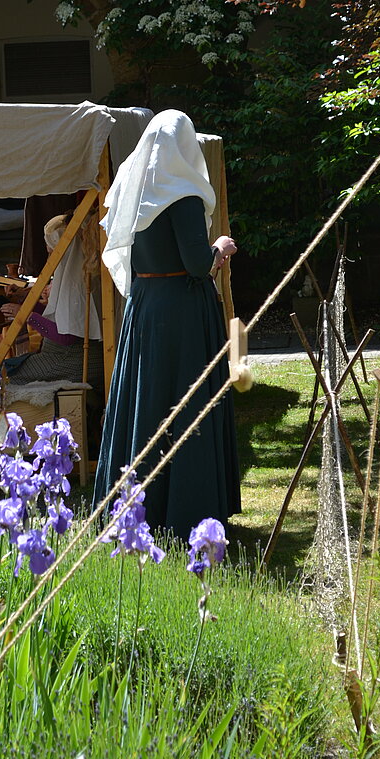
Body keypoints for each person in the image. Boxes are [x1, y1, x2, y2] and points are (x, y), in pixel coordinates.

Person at [93, 109, 241, 539]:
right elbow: (197, 265)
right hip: (181, 313)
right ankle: (186, 509)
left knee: (146, 401)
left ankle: (137, 507)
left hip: (144, 305)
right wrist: (220, 247)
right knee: (184, 403)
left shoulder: (134, 187)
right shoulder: (183, 193)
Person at [0, 211, 105, 397]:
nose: (49, 258)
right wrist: (24, 301)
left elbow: (67, 337)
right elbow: (59, 317)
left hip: (73, 362)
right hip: (67, 357)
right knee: (8, 368)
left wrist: (26, 315)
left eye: (52, 252)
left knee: (2, 375)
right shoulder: (79, 274)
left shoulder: (76, 282)